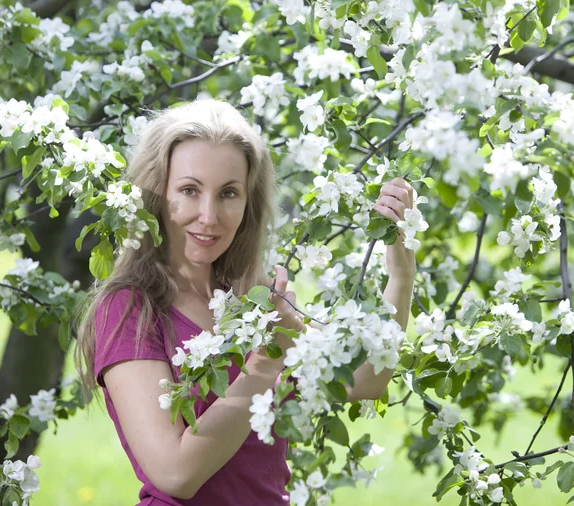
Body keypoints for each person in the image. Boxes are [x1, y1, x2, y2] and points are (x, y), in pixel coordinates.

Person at [73, 98, 415, 506]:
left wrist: (401, 271)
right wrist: (265, 363)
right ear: (156, 195)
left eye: (228, 193)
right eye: (189, 190)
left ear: (248, 202)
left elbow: (366, 379)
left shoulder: (251, 299)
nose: (208, 215)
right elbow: (175, 473)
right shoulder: (130, 310)